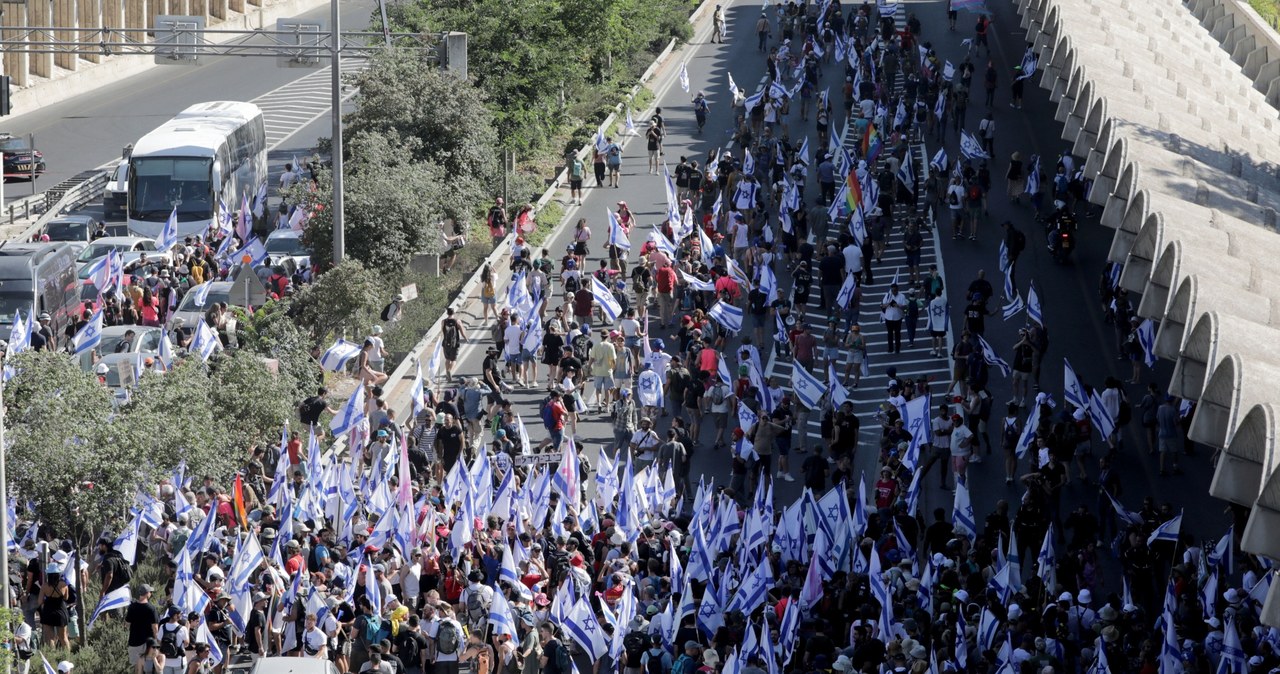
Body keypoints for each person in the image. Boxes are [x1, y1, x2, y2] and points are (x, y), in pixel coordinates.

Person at [441, 308, 467, 382]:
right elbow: (462, 331)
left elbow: (442, 331)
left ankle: (446, 372)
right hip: (455, 344)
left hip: (446, 343)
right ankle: (450, 371)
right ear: (454, 313)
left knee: (447, 359)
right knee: (454, 360)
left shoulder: (443, 321)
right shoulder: (457, 321)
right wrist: (465, 338)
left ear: (447, 313)